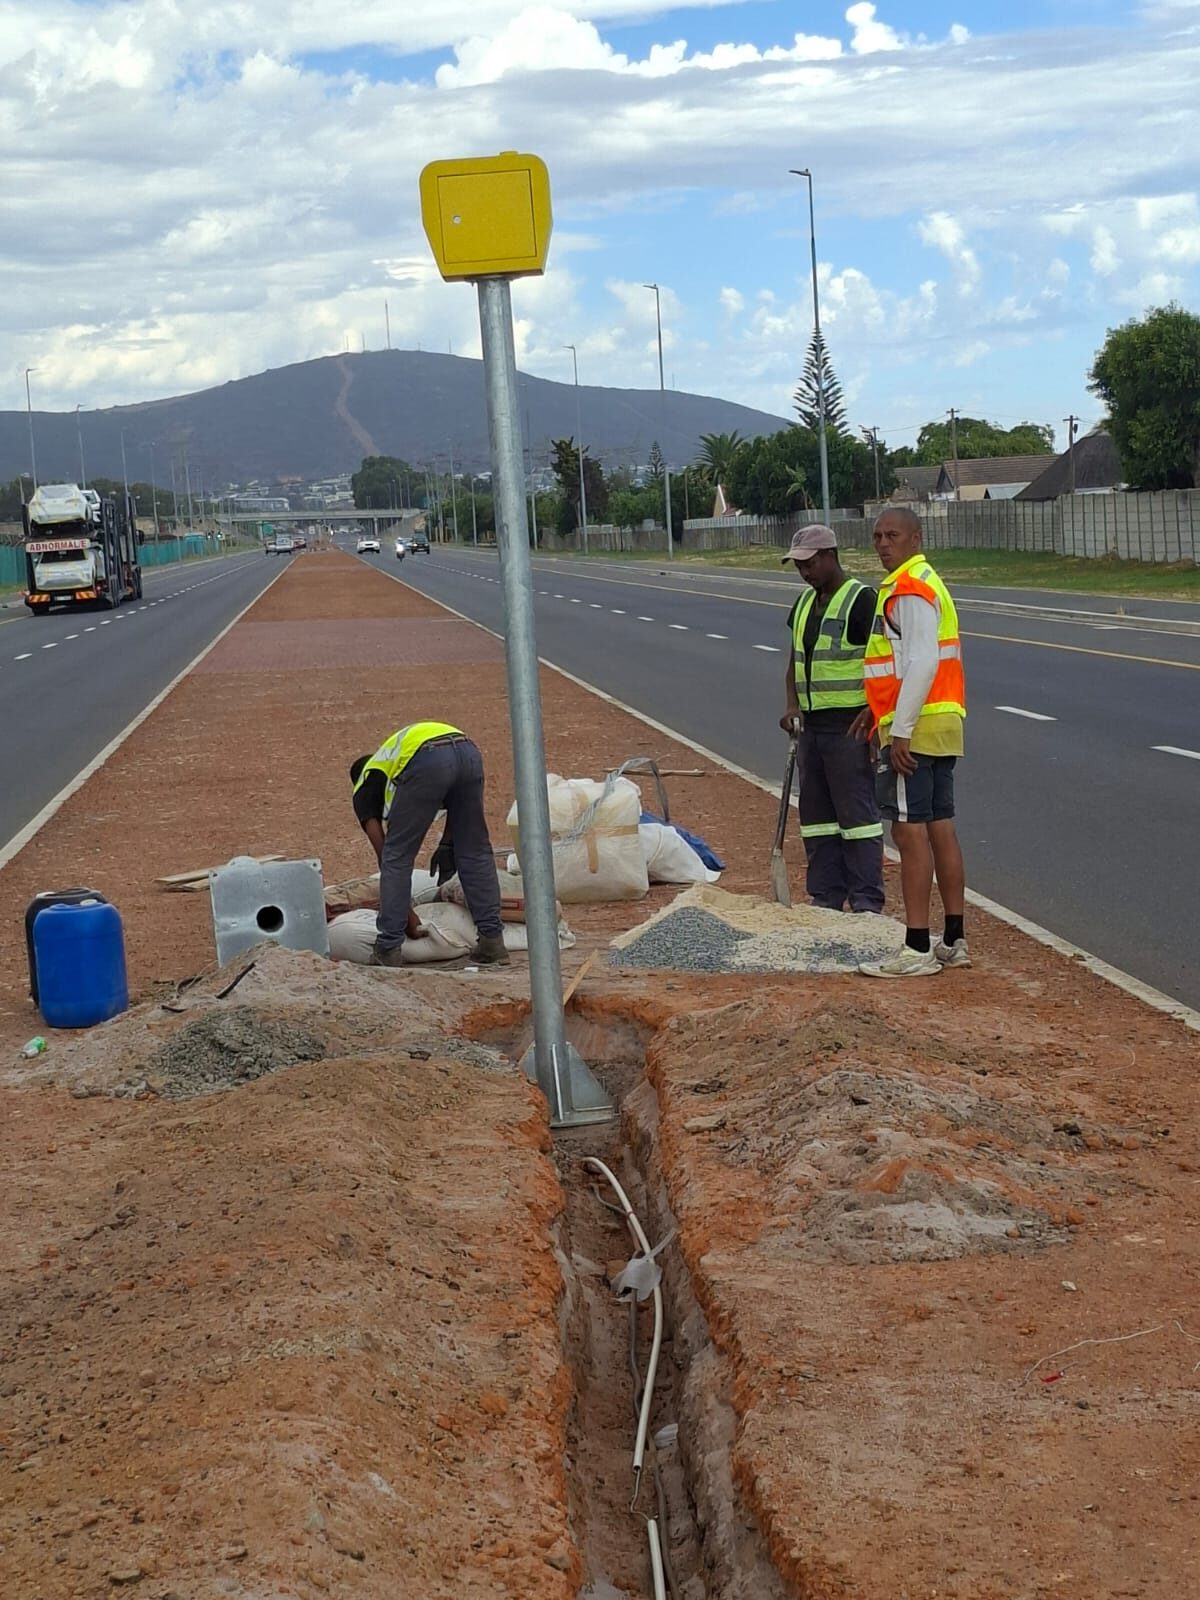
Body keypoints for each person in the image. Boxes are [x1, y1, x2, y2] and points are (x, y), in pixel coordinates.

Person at [856, 508, 969, 978]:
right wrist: (877, 709)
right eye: (878, 536)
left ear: (916, 538)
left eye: (893, 535)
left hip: (916, 728)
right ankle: (953, 940)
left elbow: (920, 662)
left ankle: (917, 946)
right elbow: (906, 662)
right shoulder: (927, 580)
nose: (883, 544)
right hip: (941, 723)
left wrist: (898, 730)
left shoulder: (907, 588)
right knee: (939, 825)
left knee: (908, 831)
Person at [779, 525, 884, 913]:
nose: (804, 572)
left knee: (857, 816)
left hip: (849, 726)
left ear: (829, 556)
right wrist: (791, 706)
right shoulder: (805, 603)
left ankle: (866, 900)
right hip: (810, 726)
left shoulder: (861, 600)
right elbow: (794, 661)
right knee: (817, 817)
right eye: (798, 566)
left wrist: (875, 713)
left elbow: (884, 661)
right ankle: (826, 894)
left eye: (809, 563)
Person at [350, 722, 508, 967]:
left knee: (396, 858)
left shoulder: (364, 785)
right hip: (467, 751)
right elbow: (455, 806)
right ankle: (492, 943)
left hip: (428, 757)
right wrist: (447, 845)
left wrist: (406, 914)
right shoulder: (392, 762)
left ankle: (388, 949)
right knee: (475, 852)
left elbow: (387, 856)